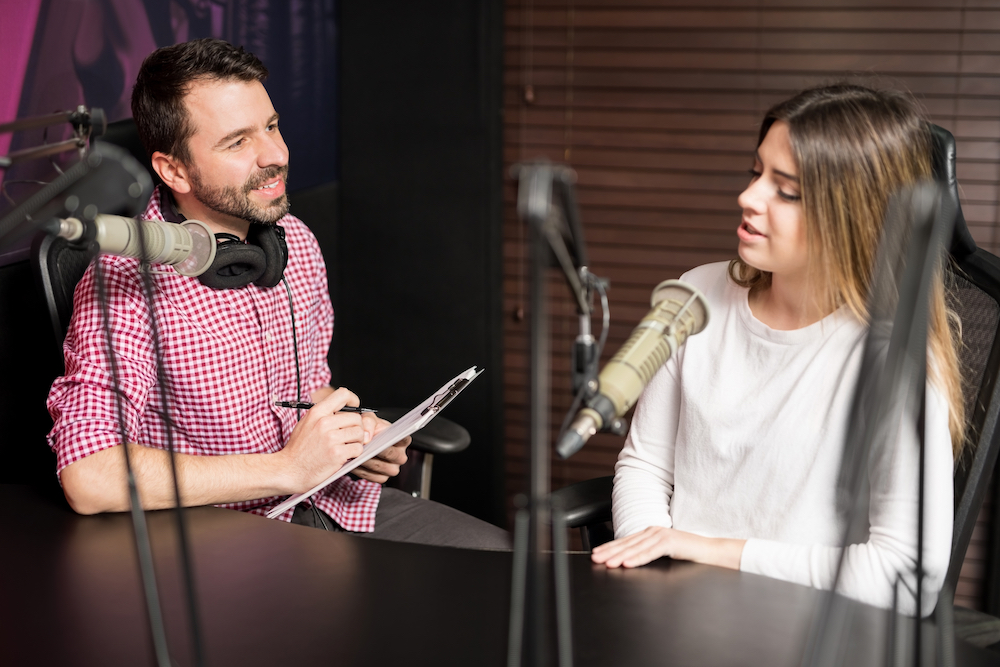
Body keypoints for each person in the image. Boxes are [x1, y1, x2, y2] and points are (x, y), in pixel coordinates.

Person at [46, 38, 509, 550]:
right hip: (220, 541)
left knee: (508, 568)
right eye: (237, 141)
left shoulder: (293, 242)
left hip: (329, 502)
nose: (275, 155)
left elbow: (308, 388)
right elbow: (89, 476)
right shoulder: (125, 278)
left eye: (271, 126)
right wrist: (285, 469)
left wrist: (355, 435)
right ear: (174, 170)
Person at [590, 84, 964, 615]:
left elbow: (908, 576)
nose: (749, 197)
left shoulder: (893, 362)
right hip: (676, 616)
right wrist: (651, 565)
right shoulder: (696, 296)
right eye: (755, 172)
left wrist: (708, 552)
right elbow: (645, 465)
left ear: (854, 216)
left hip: (802, 630)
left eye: (786, 191)